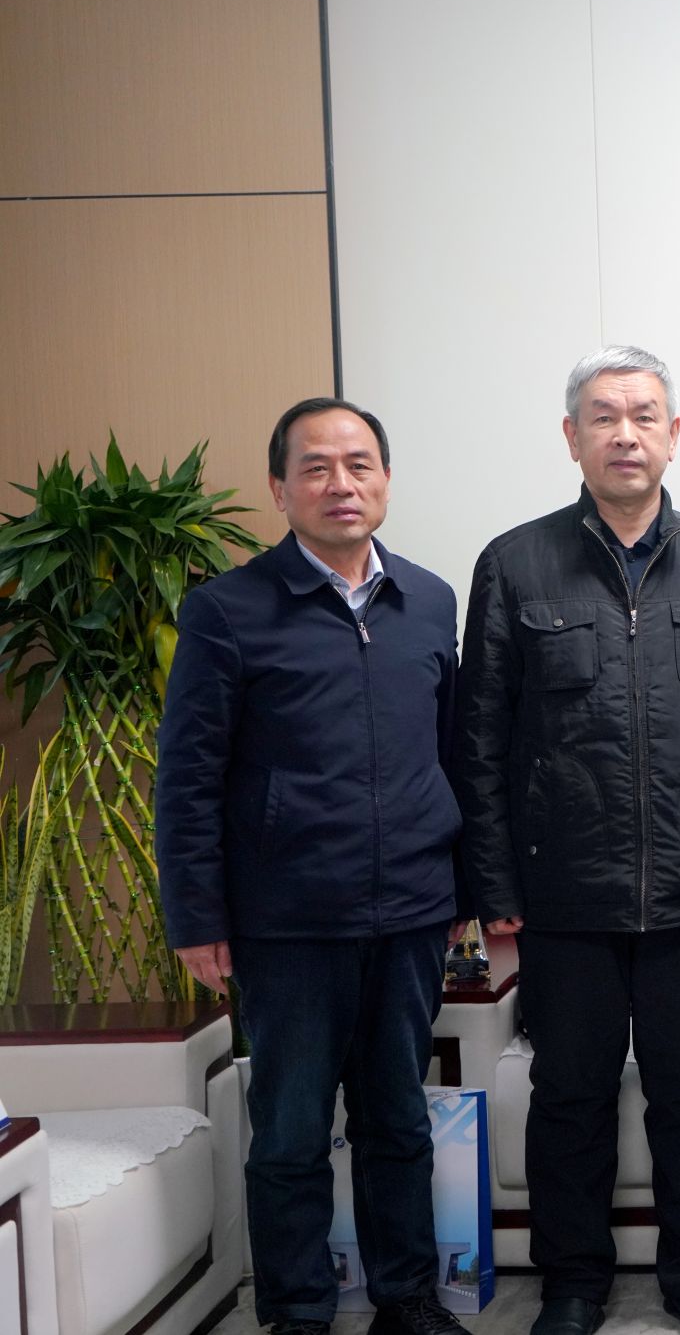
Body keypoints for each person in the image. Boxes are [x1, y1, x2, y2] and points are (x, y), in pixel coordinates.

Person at [455, 346, 680, 1335]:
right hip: (564, 892)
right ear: (572, 438)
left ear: (672, 435)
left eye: (644, 416)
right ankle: (572, 1283)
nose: (625, 434)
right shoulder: (515, 563)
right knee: (569, 1094)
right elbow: (480, 738)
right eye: (603, 417)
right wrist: (494, 883)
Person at [158, 397, 469, 1335]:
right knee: (290, 1130)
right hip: (286, 920)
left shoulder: (428, 601)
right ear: (280, 488)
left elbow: (453, 754)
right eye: (317, 467)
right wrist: (197, 918)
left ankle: (407, 1298)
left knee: (397, 1120)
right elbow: (189, 776)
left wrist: (462, 889)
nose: (342, 484)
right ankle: (297, 1309)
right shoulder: (228, 610)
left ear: (386, 480)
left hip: (411, 912)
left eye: (360, 464)